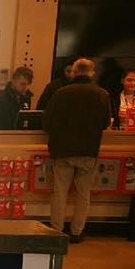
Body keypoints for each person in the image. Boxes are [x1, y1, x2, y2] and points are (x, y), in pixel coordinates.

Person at [43, 58, 112, 244]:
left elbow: (46, 121)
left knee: (60, 192)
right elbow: (105, 123)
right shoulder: (102, 94)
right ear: (92, 73)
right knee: (83, 194)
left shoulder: (61, 93)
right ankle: (76, 232)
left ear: (73, 72)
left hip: (62, 150)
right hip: (88, 150)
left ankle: (56, 230)